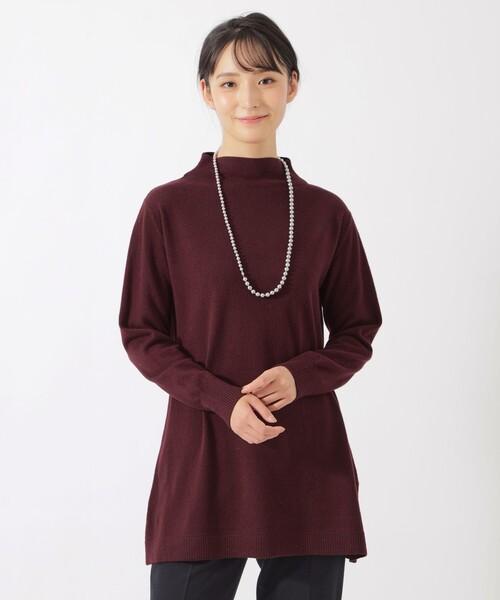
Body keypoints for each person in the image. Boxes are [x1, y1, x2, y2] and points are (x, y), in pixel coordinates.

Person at [118, 11, 383, 600]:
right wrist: (222, 399)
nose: (249, 98)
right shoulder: (168, 209)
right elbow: (142, 332)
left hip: (306, 462)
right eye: (230, 82)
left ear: (292, 85)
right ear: (206, 91)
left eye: (265, 79)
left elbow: (358, 328)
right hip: (204, 459)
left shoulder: (326, 213)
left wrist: (299, 375)